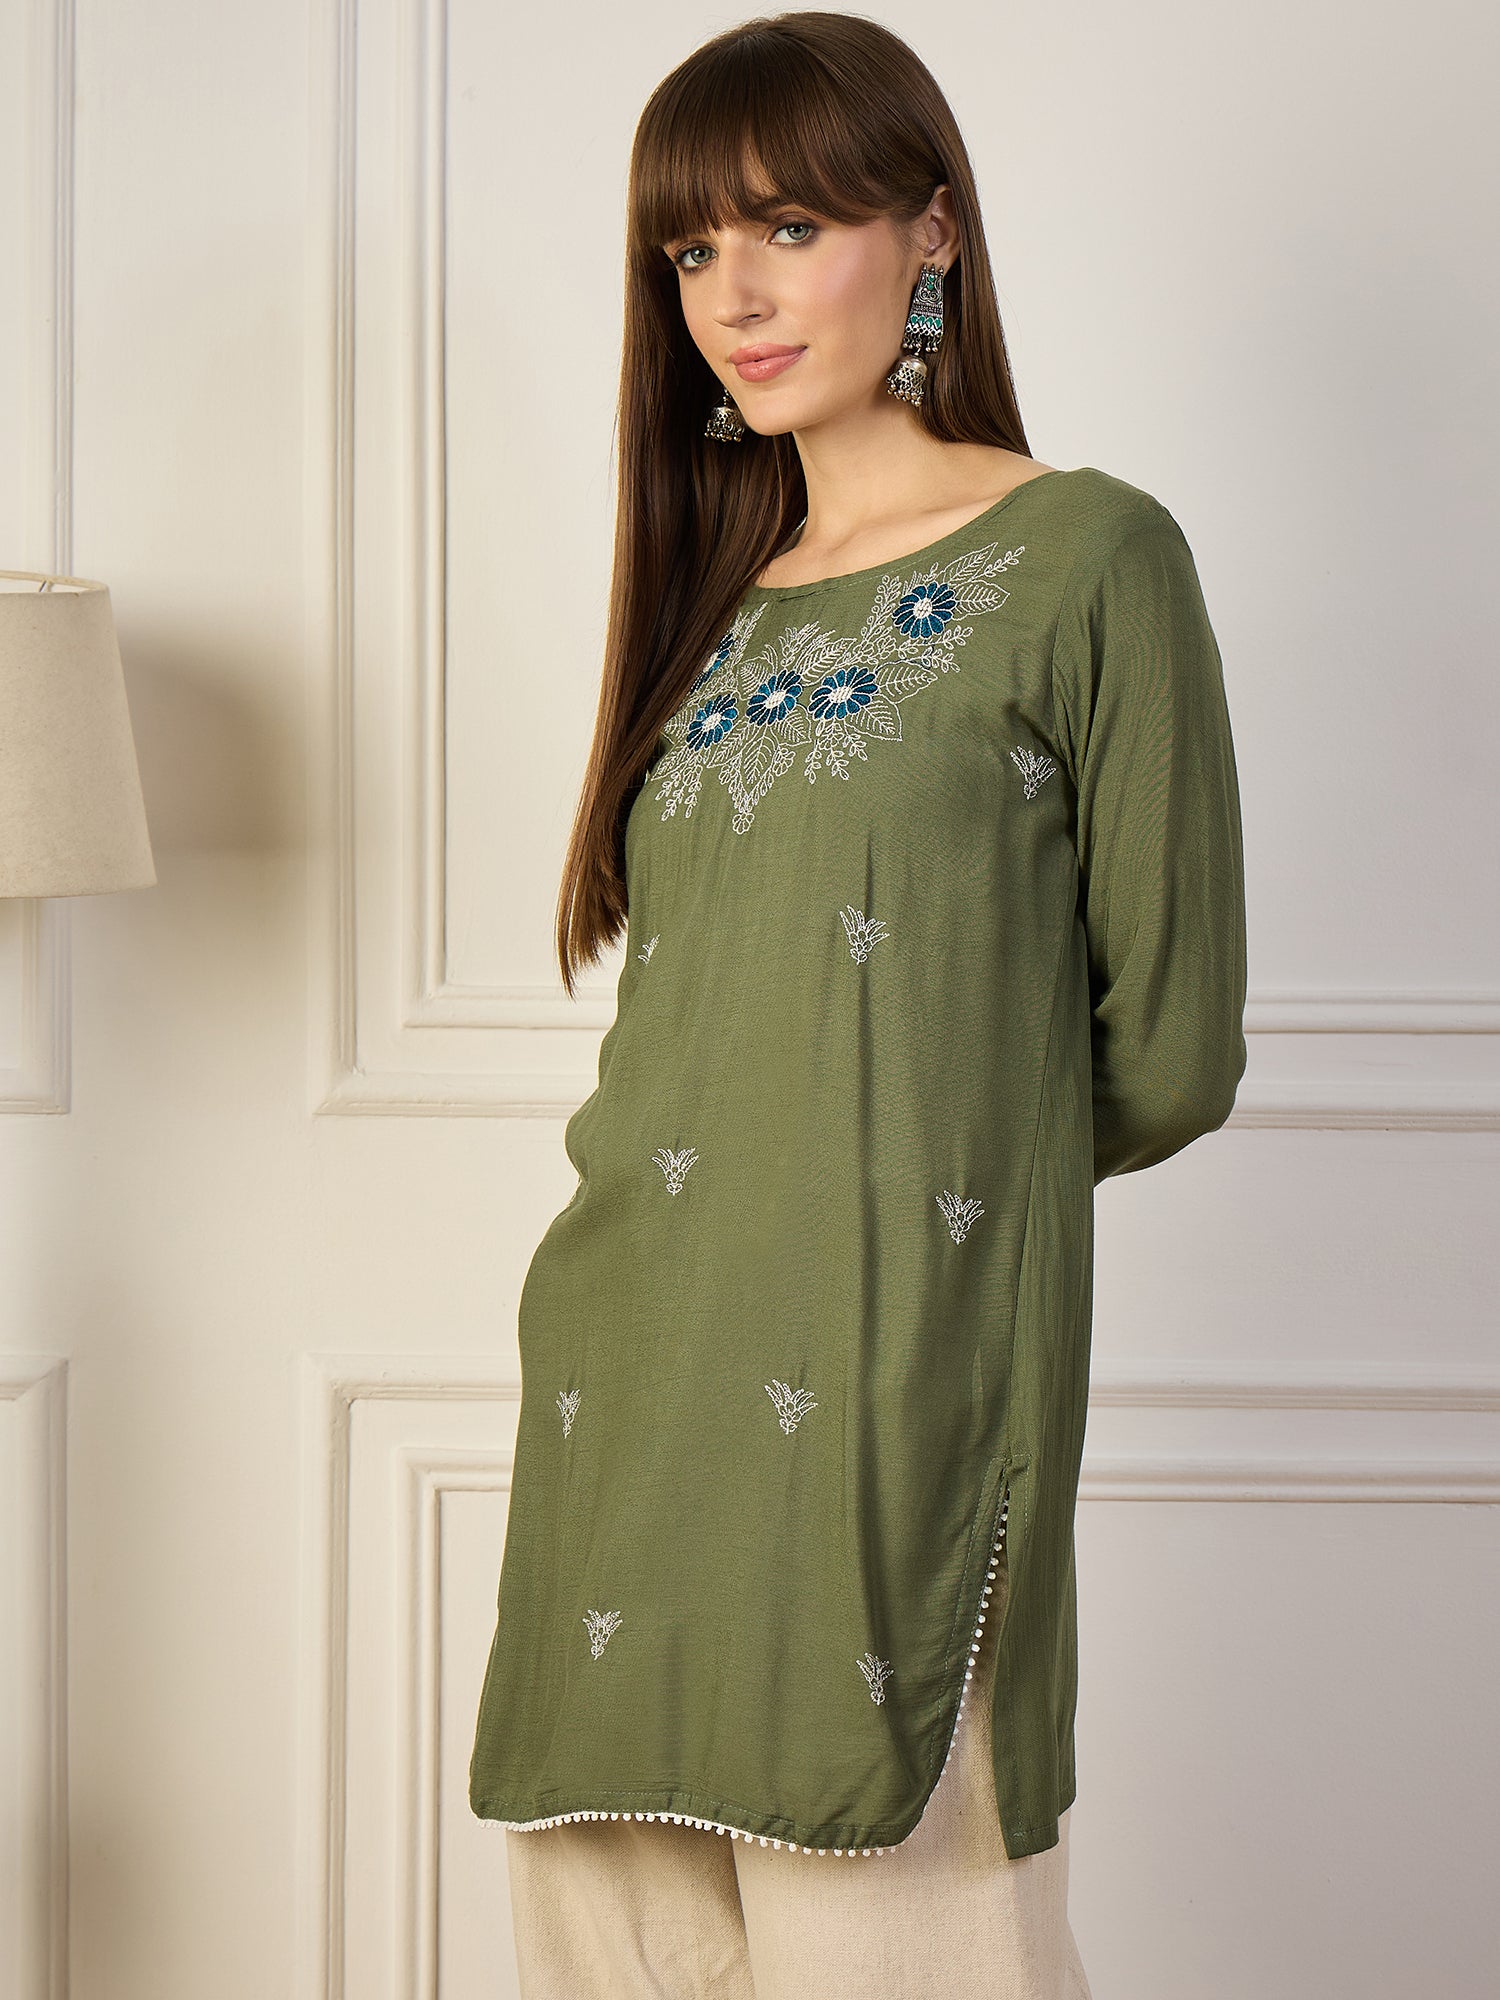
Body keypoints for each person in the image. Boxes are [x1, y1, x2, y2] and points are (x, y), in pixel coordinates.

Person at [468, 12, 1248, 1996]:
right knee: (621, 1947)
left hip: (896, 1382)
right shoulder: (714, 598)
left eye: (790, 228)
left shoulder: (1089, 556)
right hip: (628, 1372)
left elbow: (1170, 1050)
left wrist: (910, 1195)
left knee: (913, 1923)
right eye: (688, 250)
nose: (731, 296)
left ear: (934, 233)